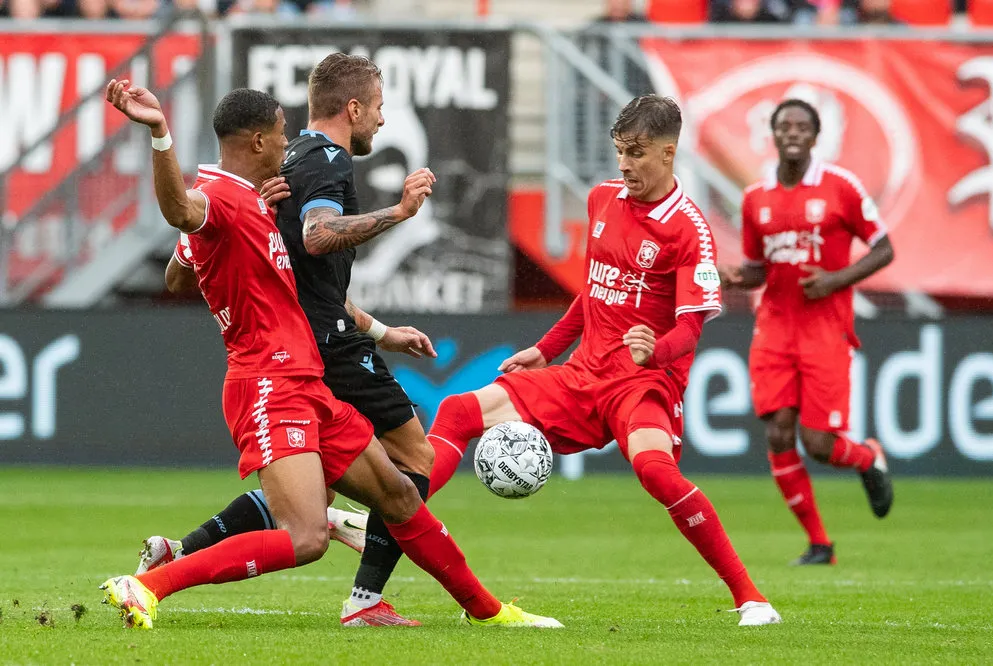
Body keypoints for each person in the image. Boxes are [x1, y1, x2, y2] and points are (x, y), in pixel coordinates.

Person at [99, 80, 561, 630]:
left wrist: (233, 228)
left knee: (399, 495)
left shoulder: (247, 198)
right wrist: (159, 133)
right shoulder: (218, 195)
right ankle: (149, 586)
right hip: (269, 386)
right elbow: (180, 209)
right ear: (255, 141)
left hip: (307, 382)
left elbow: (179, 275)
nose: (286, 141)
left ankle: (490, 613)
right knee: (307, 536)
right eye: (278, 134)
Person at [138, 53, 472, 628]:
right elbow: (311, 239)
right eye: (380, 108)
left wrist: (383, 331)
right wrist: (399, 212)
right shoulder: (306, 168)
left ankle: (181, 553)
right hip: (290, 362)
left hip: (302, 357)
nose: (382, 120)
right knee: (382, 481)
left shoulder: (262, 188)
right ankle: (364, 599)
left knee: (339, 496)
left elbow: (277, 278)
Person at [426, 95, 781, 627]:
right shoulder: (602, 199)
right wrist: (545, 350)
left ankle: (751, 598)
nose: (624, 164)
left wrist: (651, 352)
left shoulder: (691, 231)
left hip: (643, 383)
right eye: (619, 151)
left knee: (655, 471)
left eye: (636, 153)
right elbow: (592, 294)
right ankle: (395, 515)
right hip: (581, 374)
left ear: (668, 152)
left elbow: (690, 327)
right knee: (458, 410)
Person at [719, 98, 895, 566]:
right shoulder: (756, 197)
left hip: (825, 329)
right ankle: (820, 544)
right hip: (775, 327)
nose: (792, 133)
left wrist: (835, 280)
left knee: (819, 445)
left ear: (816, 137)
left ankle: (866, 458)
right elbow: (760, 268)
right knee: (778, 433)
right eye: (784, 126)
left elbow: (885, 248)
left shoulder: (841, 187)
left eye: (802, 126)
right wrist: (738, 277)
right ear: (773, 135)